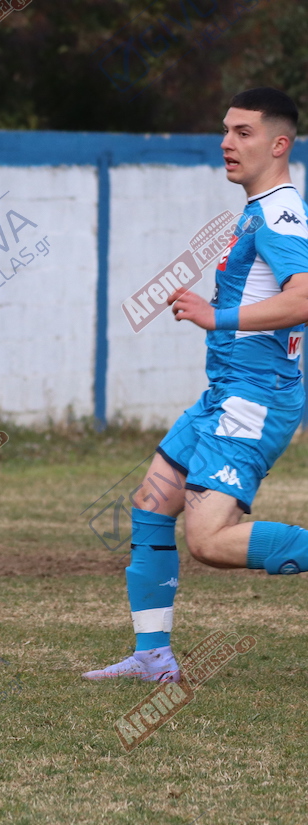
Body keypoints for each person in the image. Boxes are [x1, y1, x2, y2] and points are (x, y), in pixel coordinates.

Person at [85, 88, 308, 681]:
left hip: (254, 400)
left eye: (243, 133)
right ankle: (153, 656)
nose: (226, 142)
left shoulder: (280, 214)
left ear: (278, 145)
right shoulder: (261, 209)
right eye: (226, 130)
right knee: (151, 502)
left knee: (208, 541)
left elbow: (303, 299)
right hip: (226, 393)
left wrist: (217, 317)